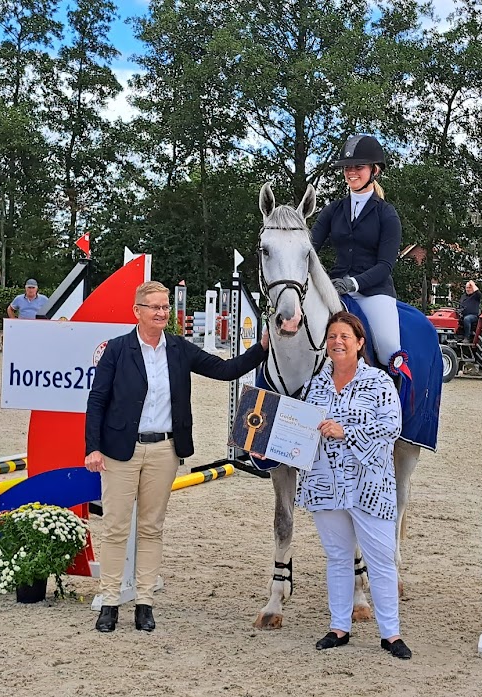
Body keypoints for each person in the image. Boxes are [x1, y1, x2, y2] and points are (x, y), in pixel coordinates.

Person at [85, 280, 269, 633]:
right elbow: (97, 400)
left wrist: (261, 347)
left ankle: (144, 602)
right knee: (115, 527)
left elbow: (225, 370)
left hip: (164, 450)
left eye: (165, 306)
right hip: (120, 451)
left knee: (152, 528)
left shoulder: (179, 349)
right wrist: (92, 447)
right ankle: (109, 601)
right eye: (154, 306)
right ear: (137, 311)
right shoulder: (117, 350)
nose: (161, 312)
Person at [296, 311, 411, 659]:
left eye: (345, 336)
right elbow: (299, 430)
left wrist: (347, 431)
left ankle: (390, 634)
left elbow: (392, 427)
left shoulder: (378, 382)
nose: (337, 342)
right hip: (324, 483)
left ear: (360, 343)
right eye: (332, 336)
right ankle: (338, 626)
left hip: (368, 485)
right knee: (337, 558)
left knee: (380, 559)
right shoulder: (313, 386)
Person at [310, 134, 407, 377]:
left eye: (358, 167)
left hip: (373, 293)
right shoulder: (333, 210)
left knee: (388, 349)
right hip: (333, 290)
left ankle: (391, 404)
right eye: (347, 167)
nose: (351, 172)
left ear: (375, 170)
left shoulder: (387, 215)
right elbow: (309, 248)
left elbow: (385, 266)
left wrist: (352, 283)